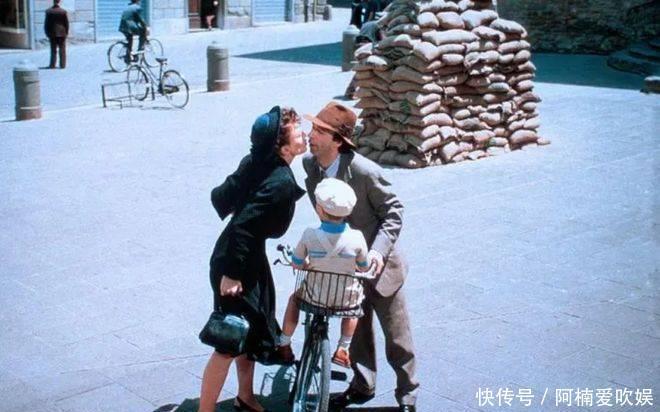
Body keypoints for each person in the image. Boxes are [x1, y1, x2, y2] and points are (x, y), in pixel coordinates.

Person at [302, 102, 419, 412]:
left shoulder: (365, 171)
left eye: (319, 131)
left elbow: (393, 212)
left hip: (381, 268)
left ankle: (408, 395)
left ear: (338, 141)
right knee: (356, 333)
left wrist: (378, 252)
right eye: (313, 128)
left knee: (397, 337)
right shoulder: (311, 166)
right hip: (344, 266)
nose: (311, 135)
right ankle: (362, 384)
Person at [198, 106, 307, 412]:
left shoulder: (257, 161)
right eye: (298, 132)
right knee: (228, 338)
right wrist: (232, 273)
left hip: (245, 254)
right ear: (283, 147)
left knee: (249, 331)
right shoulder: (279, 181)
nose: (305, 134)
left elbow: (222, 196)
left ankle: (245, 397)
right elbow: (244, 226)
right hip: (236, 259)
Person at [277, 177, 370, 368]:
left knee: (294, 300)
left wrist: (306, 263)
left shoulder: (310, 234)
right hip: (344, 297)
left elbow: (297, 262)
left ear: (320, 209)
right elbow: (363, 266)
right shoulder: (357, 237)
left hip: (314, 295)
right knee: (354, 308)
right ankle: (343, 348)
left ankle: (284, 343)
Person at [344, 21, 384, 99]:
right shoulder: (379, 26)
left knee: (362, 70)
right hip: (366, 46)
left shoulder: (369, 23)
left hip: (359, 45)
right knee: (365, 70)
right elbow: (383, 40)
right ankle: (352, 91)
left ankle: (350, 90)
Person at [44, 0, 69, 69]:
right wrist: (66, 32)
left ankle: (52, 65)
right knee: (62, 49)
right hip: (62, 33)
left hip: (52, 33)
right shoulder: (63, 12)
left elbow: (46, 23)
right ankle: (62, 65)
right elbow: (66, 23)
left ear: (53, 2)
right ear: (59, 2)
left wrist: (46, 32)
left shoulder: (49, 11)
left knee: (53, 49)